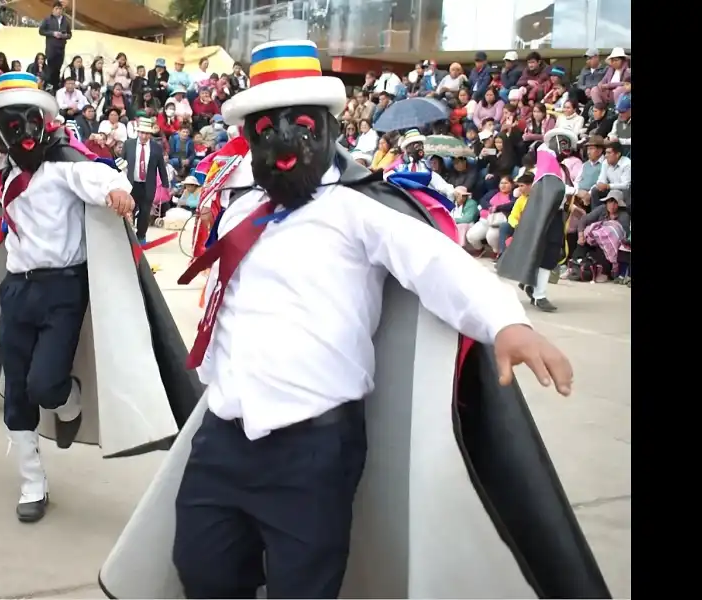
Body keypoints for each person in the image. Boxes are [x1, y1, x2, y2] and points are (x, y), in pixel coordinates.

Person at [99, 40, 607, 600]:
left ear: (329, 131)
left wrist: (507, 323)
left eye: (301, 125)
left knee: (304, 586)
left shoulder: (358, 211)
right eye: (266, 129)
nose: (284, 142)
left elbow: (439, 264)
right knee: (202, 569)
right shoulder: (240, 209)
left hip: (311, 451)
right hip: (223, 439)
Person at [0, 71, 196, 522]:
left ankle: (67, 400)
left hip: (61, 290)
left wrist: (118, 191)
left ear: (42, 121)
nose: (23, 132)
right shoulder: (4, 176)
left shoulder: (64, 166)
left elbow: (100, 176)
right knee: (17, 390)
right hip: (15, 290)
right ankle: (32, 482)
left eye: (28, 121)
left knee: (46, 384)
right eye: (11, 124)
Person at [497, 128, 578, 313]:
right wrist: (574, 191)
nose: (564, 149)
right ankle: (539, 294)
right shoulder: (545, 164)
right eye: (561, 144)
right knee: (544, 250)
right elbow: (554, 188)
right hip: (544, 214)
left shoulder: (559, 167)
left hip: (554, 214)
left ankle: (532, 286)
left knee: (549, 251)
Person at [123, 117, 169, 244]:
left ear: (150, 134)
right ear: (138, 132)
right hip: (131, 183)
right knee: (129, 210)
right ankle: (129, 236)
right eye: (142, 133)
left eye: (147, 133)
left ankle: (141, 236)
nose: (144, 136)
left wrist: (165, 184)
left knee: (145, 212)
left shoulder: (156, 147)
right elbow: (121, 161)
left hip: (148, 184)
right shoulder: (128, 144)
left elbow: (161, 166)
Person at [38, 1, 71, 90]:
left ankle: (56, 87)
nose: (58, 11)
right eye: (56, 9)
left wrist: (64, 36)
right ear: (53, 10)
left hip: (61, 49)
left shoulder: (66, 21)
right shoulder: (48, 19)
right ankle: (50, 85)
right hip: (51, 48)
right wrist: (52, 33)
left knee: (58, 69)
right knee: (51, 68)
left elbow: (69, 35)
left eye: (60, 9)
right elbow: (41, 31)